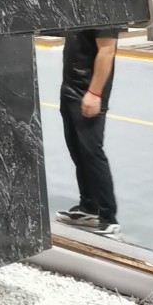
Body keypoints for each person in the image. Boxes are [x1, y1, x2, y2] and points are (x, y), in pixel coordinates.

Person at [56, 28, 120, 236]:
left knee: (92, 152)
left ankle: (108, 218)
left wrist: (94, 93)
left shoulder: (104, 11)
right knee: (78, 151)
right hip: (70, 86)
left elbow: (107, 50)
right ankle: (89, 207)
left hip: (87, 90)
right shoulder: (79, 10)